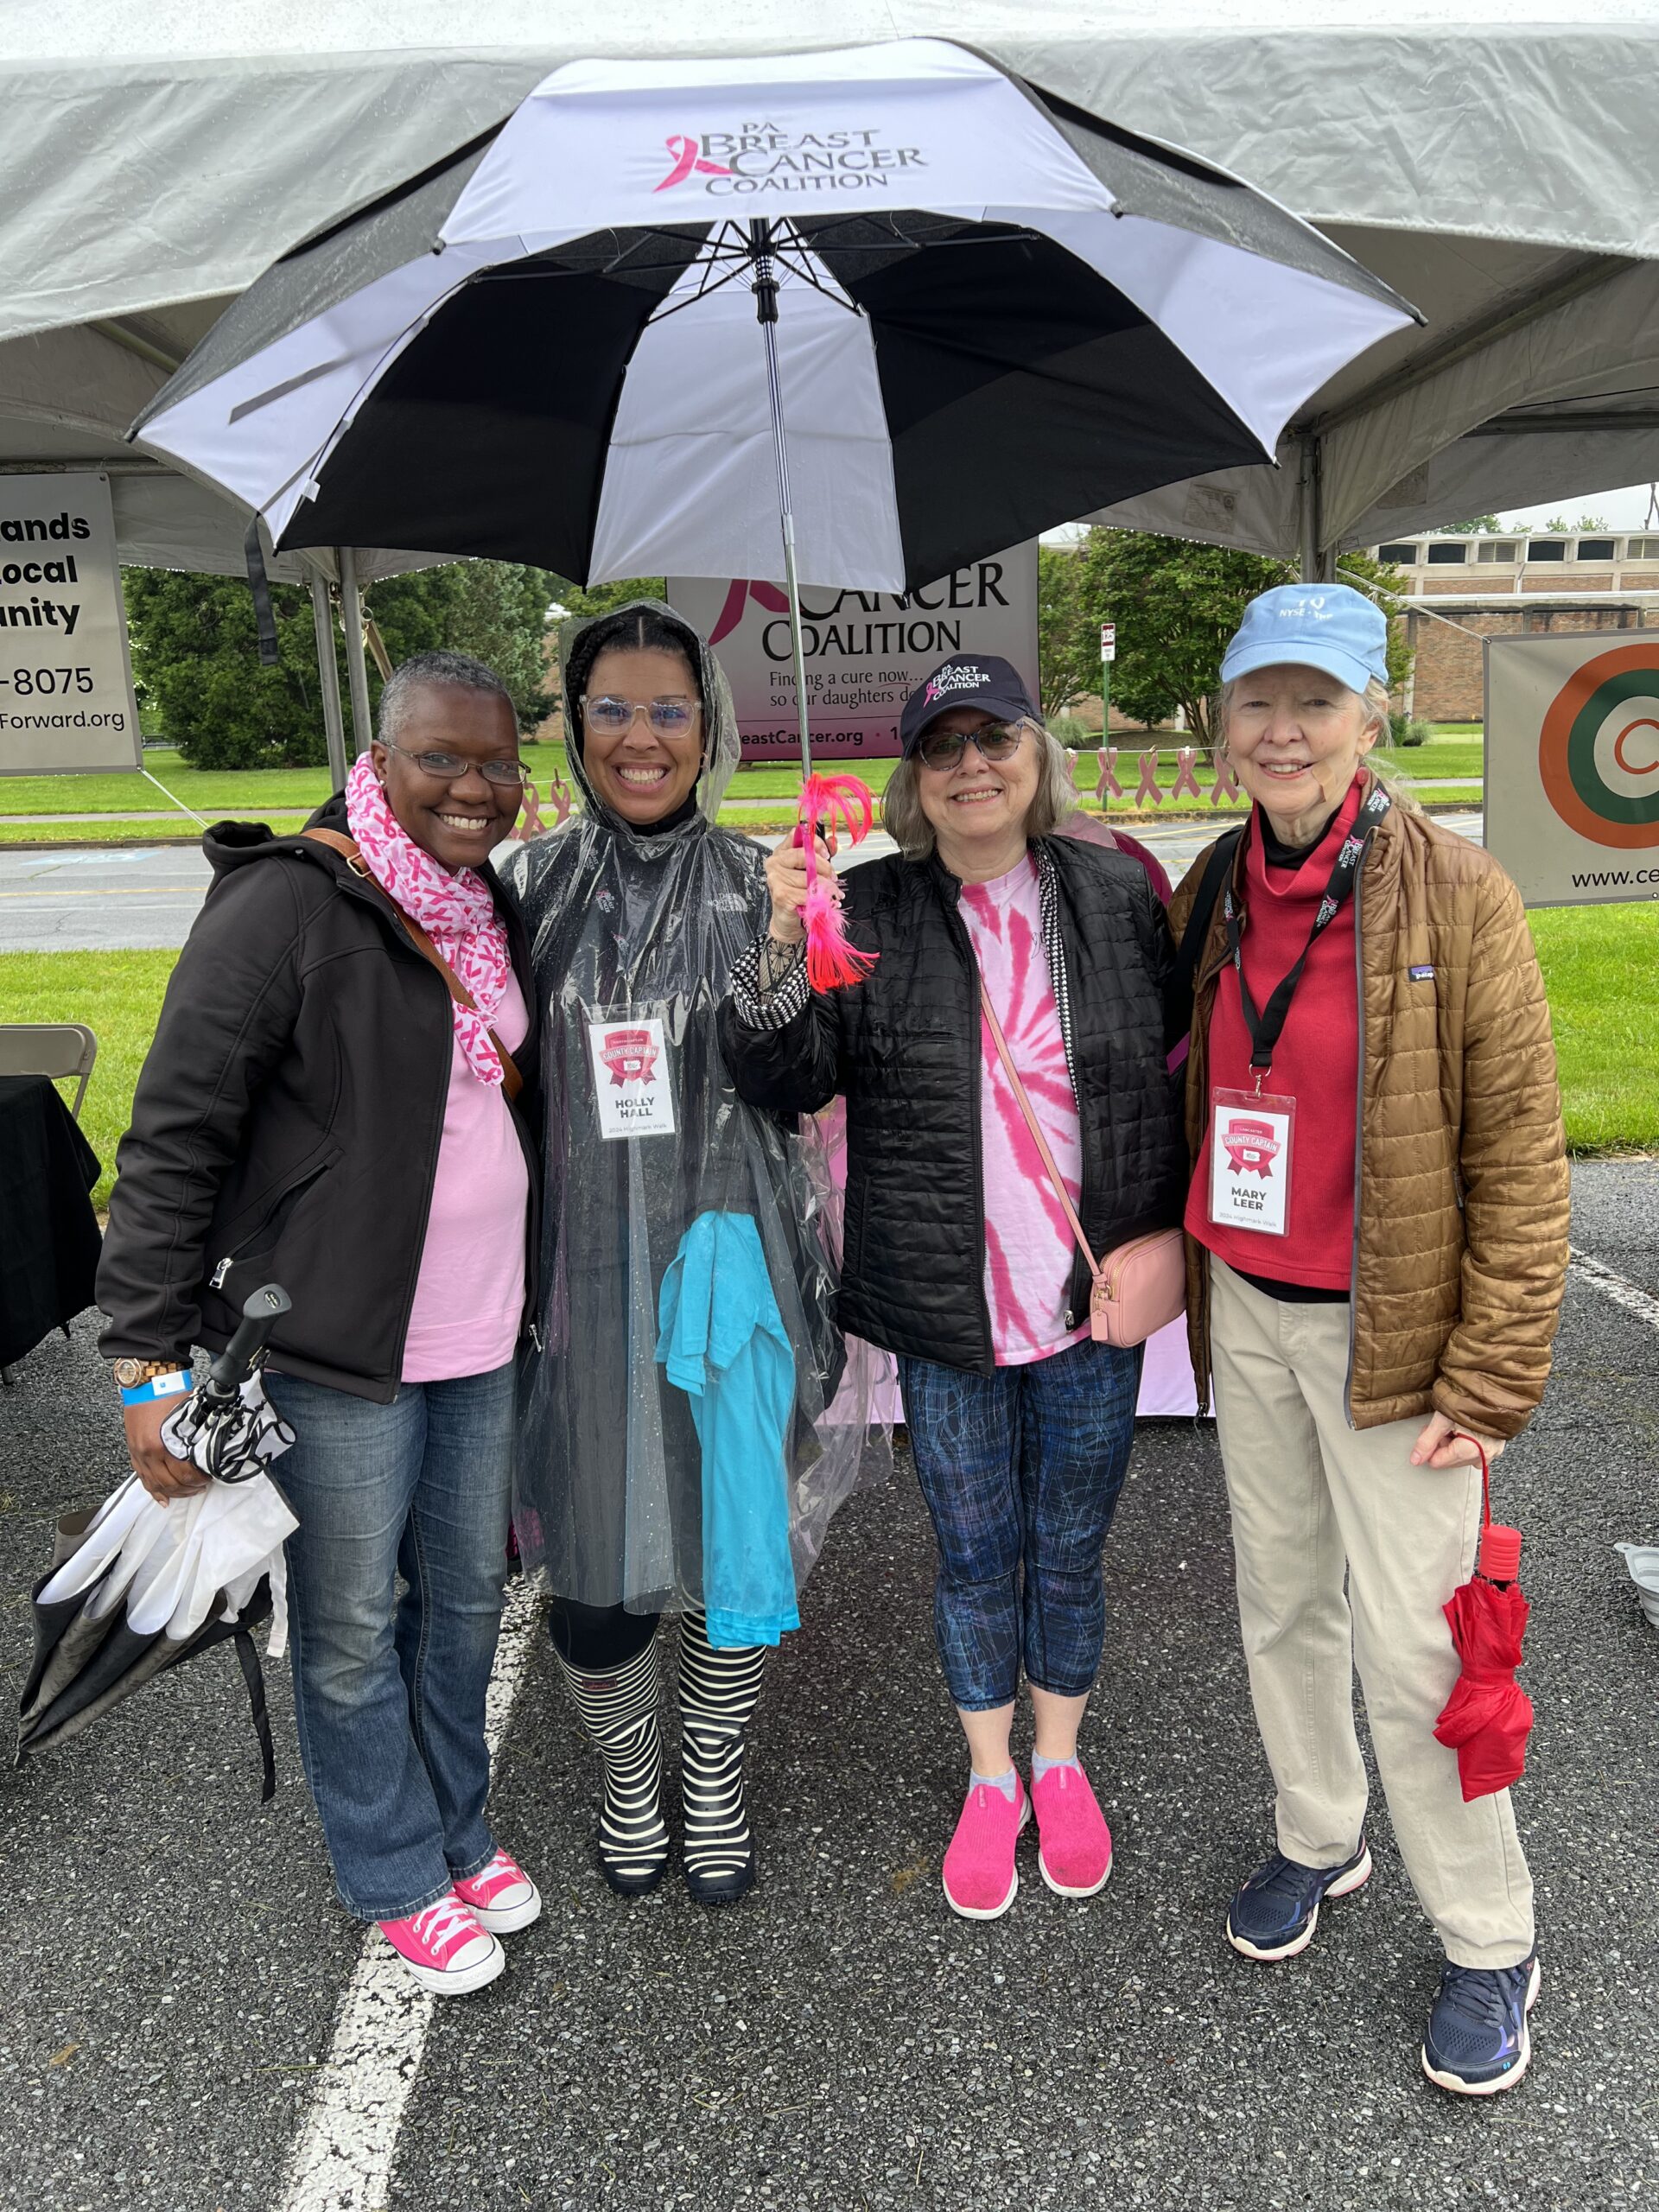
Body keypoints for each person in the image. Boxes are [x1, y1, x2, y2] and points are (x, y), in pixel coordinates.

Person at [1168, 584, 1570, 2094]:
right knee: (1282, 1605)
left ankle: (1489, 1935)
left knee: (1418, 1649)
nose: (1283, 730)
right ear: (1224, 722)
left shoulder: (1460, 892)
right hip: (1251, 1310)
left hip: (1396, 1337)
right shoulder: (1212, 882)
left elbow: (1523, 1158)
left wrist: (1492, 1372)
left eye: (1316, 701)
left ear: (1371, 715)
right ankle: (1318, 1834)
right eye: (1258, 702)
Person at [99, 651, 543, 1997]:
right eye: (441, 758)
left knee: (463, 1605)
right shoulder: (287, 902)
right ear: (380, 759)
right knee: (351, 1622)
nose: (473, 786)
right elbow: (177, 1131)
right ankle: (393, 1869)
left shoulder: (486, 904)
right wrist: (143, 1358)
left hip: (483, 1335)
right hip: (338, 1346)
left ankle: (456, 1828)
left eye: (497, 762)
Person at [720, 656, 1184, 1922]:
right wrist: (784, 930)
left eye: (996, 738)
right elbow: (780, 1074)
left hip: (1091, 1302)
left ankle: (1061, 1761)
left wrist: (1167, 1236)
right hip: (943, 1305)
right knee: (975, 1557)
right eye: (943, 746)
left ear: (1037, 755)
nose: (973, 765)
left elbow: (1174, 1072)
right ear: (913, 779)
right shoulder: (865, 906)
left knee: (1071, 1553)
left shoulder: (1115, 892)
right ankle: (991, 1778)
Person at [505, 601, 866, 1907]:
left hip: (738, 1271)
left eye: (670, 710)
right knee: (594, 1560)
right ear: (574, 724)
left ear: (709, 727)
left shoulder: (768, 881)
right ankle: (627, 1770)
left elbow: (801, 1078)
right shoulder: (524, 890)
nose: (641, 737)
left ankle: (708, 1771)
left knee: (730, 1543)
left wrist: (782, 941)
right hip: (581, 1288)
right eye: (612, 709)